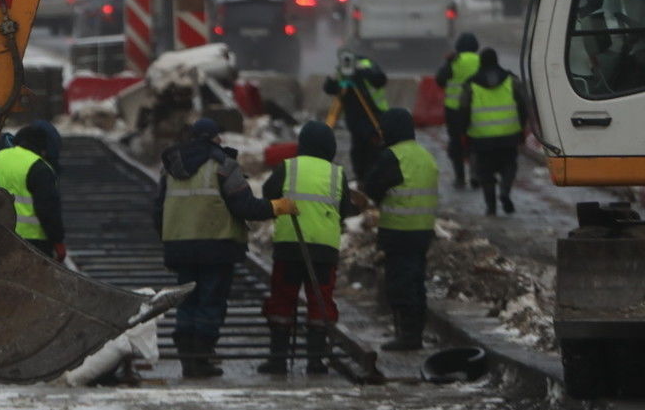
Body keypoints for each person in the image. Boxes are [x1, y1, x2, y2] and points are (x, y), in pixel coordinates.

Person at [153, 118, 298, 378]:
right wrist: (276, 207)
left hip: (181, 247)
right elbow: (243, 206)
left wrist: (169, 239)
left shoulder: (170, 168)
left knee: (187, 300)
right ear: (215, 138)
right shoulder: (223, 166)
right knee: (211, 301)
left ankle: (189, 359)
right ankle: (202, 357)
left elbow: (158, 211)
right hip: (216, 247)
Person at [258, 121, 358, 375]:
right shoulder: (337, 174)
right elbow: (346, 209)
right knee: (320, 302)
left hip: (289, 246)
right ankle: (316, 360)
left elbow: (268, 194)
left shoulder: (288, 167)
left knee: (282, 300)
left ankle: (278, 360)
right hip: (324, 251)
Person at [361, 108, 439, 351]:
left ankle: (407, 336)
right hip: (422, 230)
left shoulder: (393, 156)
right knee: (416, 281)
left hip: (399, 230)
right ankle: (415, 331)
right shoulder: (425, 155)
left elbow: (371, 186)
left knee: (400, 283)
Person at [457, 47, 529, 216]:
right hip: (509, 135)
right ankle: (504, 192)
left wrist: (464, 132)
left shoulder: (470, 85)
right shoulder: (512, 80)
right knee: (509, 166)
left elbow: (463, 110)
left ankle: (491, 206)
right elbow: (523, 105)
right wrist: (521, 128)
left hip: (481, 138)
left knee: (486, 173)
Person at [0, 123, 66, 261]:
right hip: (33, 242)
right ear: (44, 149)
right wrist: (57, 240)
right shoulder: (39, 167)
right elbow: (48, 209)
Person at [323, 50, 388, 184]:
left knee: (373, 151)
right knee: (358, 151)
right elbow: (329, 88)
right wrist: (334, 77)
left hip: (373, 116)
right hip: (355, 120)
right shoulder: (343, 71)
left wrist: (360, 72)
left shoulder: (366, 64)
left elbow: (380, 79)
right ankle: (361, 179)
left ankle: (373, 180)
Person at [435, 32, 480, 189]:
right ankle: (476, 173)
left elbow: (440, 80)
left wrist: (448, 63)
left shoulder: (454, 60)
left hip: (454, 109)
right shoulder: (480, 60)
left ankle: (460, 177)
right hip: (475, 108)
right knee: (474, 141)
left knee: (456, 143)